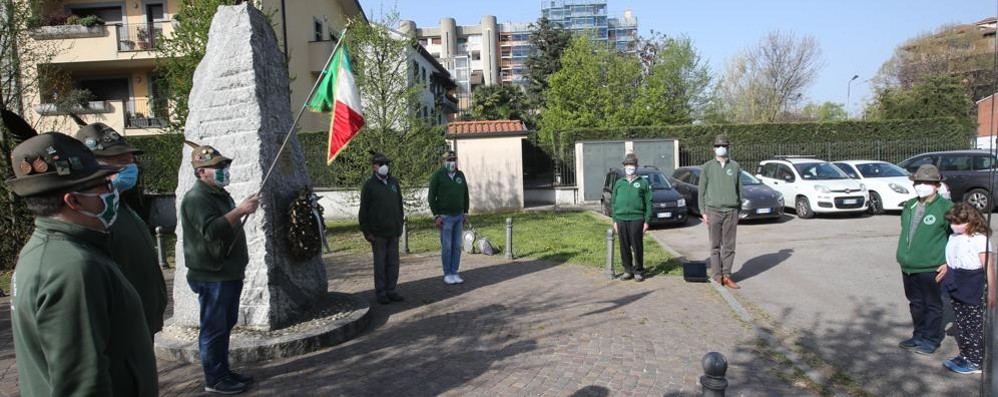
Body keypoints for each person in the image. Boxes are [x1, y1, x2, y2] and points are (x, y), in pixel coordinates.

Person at [6, 132, 158, 396]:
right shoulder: (73, 267)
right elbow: (83, 384)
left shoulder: (48, 251)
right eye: (103, 186)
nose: (112, 191)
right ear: (74, 200)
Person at [74, 123, 167, 338]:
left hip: (140, 325)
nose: (131, 164)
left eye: (130, 158)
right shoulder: (90, 217)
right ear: (91, 166)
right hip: (120, 332)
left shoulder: (116, 205)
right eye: (120, 160)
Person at [180, 142, 260, 394]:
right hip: (212, 274)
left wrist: (239, 210)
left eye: (224, 165)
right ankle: (214, 379)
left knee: (224, 325)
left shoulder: (219, 195)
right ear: (201, 172)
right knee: (214, 329)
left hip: (227, 271)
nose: (223, 169)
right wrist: (240, 211)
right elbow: (211, 231)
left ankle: (222, 370)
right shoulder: (196, 198)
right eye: (217, 166)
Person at [896, 164, 953, 356]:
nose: (921, 186)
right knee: (916, 303)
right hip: (908, 266)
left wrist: (947, 262)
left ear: (936, 185)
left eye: (927, 182)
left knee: (933, 304)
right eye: (918, 182)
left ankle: (931, 339)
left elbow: (958, 237)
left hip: (932, 267)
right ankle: (918, 335)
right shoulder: (910, 205)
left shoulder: (946, 208)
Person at [939, 202, 995, 374]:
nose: (954, 226)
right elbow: (954, 255)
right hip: (955, 280)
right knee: (961, 323)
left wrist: (993, 291)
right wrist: (946, 266)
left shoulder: (980, 239)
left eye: (958, 222)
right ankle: (965, 354)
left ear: (971, 221)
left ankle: (975, 361)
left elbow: (989, 267)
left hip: (971, 283)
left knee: (973, 325)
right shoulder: (954, 236)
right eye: (952, 222)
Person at [358, 151, 405, 304]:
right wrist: (367, 231)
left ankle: (392, 290)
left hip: (393, 230)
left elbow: (399, 205)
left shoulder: (393, 183)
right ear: (374, 167)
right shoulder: (369, 186)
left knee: (393, 263)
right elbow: (363, 210)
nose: (385, 167)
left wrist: (400, 225)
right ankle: (381, 292)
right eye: (381, 164)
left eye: (386, 164)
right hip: (378, 233)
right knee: (380, 264)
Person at [698, 134, 743, 289]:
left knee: (729, 246)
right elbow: (701, 191)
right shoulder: (707, 167)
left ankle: (727, 275)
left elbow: (740, 190)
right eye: (718, 146)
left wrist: (738, 210)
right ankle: (717, 275)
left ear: (728, 148)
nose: (720, 148)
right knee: (715, 245)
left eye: (723, 146)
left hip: (731, 211)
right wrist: (703, 211)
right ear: (714, 148)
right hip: (713, 211)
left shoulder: (735, 166)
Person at [428, 150, 470, 285]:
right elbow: (431, 197)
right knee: (447, 246)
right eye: (449, 160)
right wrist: (436, 216)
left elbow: (465, 194)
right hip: (445, 217)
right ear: (443, 161)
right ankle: (447, 273)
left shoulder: (460, 175)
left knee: (457, 246)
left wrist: (466, 212)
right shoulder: (438, 176)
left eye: (453, 160)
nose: (451, 162)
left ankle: (455, 272)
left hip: (459, 216)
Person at [612, 153, 652, 281]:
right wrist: (614, 220)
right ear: (624, 167)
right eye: (628, 165)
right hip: (621, 219)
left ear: (636, 166)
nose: (630, 167)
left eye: (632, 165)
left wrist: (647, 220)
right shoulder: (619, 183)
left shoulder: (643, 183)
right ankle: (627, 270)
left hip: (637, 218)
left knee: (637, 246)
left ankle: (639, 270)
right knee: (624, 246)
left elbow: (649, 203)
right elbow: (613, 202)